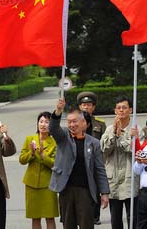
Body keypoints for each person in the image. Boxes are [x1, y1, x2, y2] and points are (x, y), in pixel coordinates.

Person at [49, 98, 109, 229]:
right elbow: (53, 128)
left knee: (86, 224)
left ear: (83, 123)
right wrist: (58, 111)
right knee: (68, 224)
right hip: (66, 190)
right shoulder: (64, 137)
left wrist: (104, 192)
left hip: (86, 191)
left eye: (74, 121)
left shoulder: (94, 143)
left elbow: (99, 169)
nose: (72, 125)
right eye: (69, 122)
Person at [100, 96, 139, 229]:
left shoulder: (135, 130)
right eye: (119, 108)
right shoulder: (109, 129)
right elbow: (104, 149)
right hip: (113, 180)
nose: (121, 110)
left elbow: (134, 150)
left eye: (124, 107)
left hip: (130, 179)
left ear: (130, 110)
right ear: (115, 110)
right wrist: (114, 134)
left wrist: (121, 136)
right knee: (115, 219)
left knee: (132, 217)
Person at [19, 111, 58, 229]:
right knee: (35, 217)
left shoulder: (55, 142)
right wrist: (31, 153)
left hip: (48, 184)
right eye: (41, 121)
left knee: (50, 216)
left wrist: (42, 155)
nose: (43, 125)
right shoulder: (30, 139)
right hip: (31, 184)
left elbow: (54, 164)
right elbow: (22, 160)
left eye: (47, 122)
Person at [77, 91, 106, 225]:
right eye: (84, 105)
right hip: (80, 160)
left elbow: (104, 142)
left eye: (89, 105)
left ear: (93, 107)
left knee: (96, 187)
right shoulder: (75, 123)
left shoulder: (99, 124)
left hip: (95, 160)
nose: (86, 107)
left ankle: (95, 215)